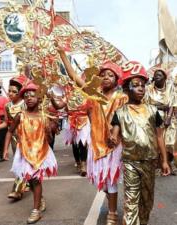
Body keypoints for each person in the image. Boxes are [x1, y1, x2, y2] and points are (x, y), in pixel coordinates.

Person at [54, 42, 127, 224]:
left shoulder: (121, 98)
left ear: (117, 79)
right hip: (96, 144)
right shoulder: (92, 94)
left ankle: (112, 213)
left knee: (111, 180)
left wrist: (116, 135)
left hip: (114, 145)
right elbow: (73, 76)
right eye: (103, 75)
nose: (106, 78)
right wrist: (63, 54)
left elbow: (126, 121)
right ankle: (112, 203)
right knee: (101, 180)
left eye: (111, 75)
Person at [108, 61, 170, 225]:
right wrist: (112, 139)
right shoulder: (120, 112)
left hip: (150, 161)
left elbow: (159, 137)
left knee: (146, 200)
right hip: (130, 163)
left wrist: (164, 160)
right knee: (131, 200)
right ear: (127, 88)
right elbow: (114, 135)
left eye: (143, 85)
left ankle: (142, 221)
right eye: (136, 85)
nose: (141, 88)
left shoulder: (153, 110)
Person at [6, 82, 58, 224]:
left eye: (33, 95)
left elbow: (50, 138)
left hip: (40, 152)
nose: (29, 98)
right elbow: (10, 131)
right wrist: (5, 150)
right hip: (24, 153)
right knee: (29, 178)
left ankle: (36, 211)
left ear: (39, 98)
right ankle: (39, 198)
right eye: (26, 95)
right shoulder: (20, 116)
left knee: (35, 180)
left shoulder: (44, 116)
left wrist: (49, 131)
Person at [144, 68, 177, 173]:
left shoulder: (170, 87)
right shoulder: (148, 89)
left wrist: (168, 118)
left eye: (160, 75)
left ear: (165, 78)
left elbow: (172, 104)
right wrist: (160, 106)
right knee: (157, 143)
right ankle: (159, 164)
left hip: (168, 118)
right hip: (154, 118)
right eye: (156, 75)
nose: (157, 76)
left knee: (170, 142)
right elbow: (146, 103)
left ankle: (169, 163)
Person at [0, 75, 28, 200]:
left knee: (26, 163)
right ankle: (24, 183)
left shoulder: (26, 104)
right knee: (19, 163)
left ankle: (17, 190)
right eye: (9, 90)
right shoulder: (8, 106)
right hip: (15, 138)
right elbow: (7, 124)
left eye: (14, 91)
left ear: (20, 93)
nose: (10, 93)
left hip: (28, 139)